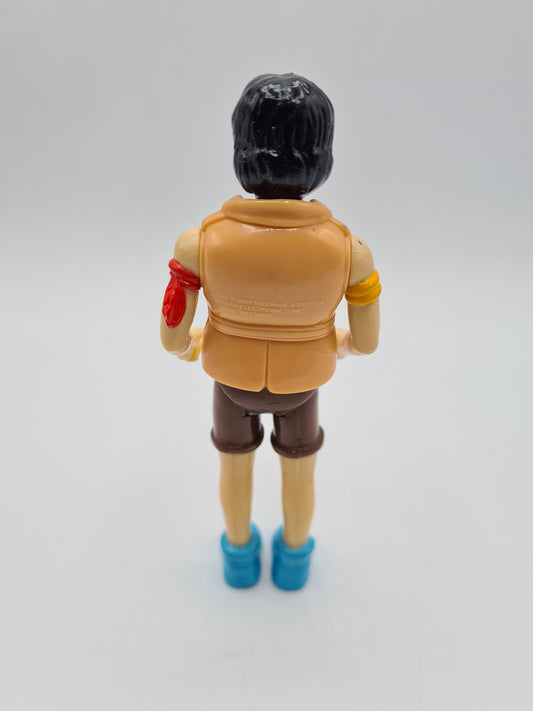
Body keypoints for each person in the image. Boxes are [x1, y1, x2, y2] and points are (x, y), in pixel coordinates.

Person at [160, 73, 381, 590]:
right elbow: (365, 341)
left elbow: (173, 335)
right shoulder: (350, 251)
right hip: (301, 387)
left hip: (230, 383)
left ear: (241, 149)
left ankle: (238, 559)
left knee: (233, 470)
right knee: (300, 474)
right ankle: (294, 562)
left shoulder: (200, 243)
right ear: (322, 158)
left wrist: (191, 347)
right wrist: (339, 345)